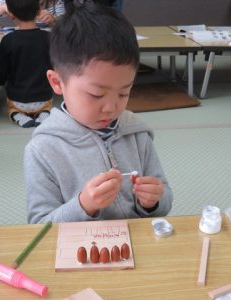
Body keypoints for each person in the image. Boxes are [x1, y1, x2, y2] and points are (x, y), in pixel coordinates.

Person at [24, 1, 173, 223]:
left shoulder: (137, 134)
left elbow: (165, 198)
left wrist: (153, 202)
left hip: (135, 244)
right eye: (96, 95)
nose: (111, 107)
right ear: (57, 82)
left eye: (124, 93)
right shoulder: (43, 149)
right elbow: (39, 224)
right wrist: (84, 205)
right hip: (82, 251)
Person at [0, 0, 53, 128]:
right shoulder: (49, 38)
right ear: (39, 12)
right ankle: (44, 114)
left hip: (17, 99)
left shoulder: (8, 40)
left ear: (11, 14)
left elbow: (1, 72)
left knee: (12, 107)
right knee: (46, 106)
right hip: (43, 97)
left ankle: (18, 115)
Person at [0, 0, 66, 26]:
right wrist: (3, 7)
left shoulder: (57, 1)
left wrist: (54, 19)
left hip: (47, 37)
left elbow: (65, 20)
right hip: (23, 36)